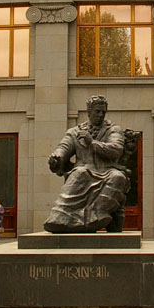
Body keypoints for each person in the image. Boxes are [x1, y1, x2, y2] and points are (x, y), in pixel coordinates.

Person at [43, 95, 129, 233]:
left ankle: (96, 215)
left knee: (118, 177)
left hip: (107, 171)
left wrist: (92, 143)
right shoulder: (75, 132)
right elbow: (63, 148)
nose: (101, 115)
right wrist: (56, 158)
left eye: (103, 112)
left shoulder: (113, 129)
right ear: (89, 112)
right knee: (80, 173)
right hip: (83, 169)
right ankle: (60, 217)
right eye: (97, 111)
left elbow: (116, 150)